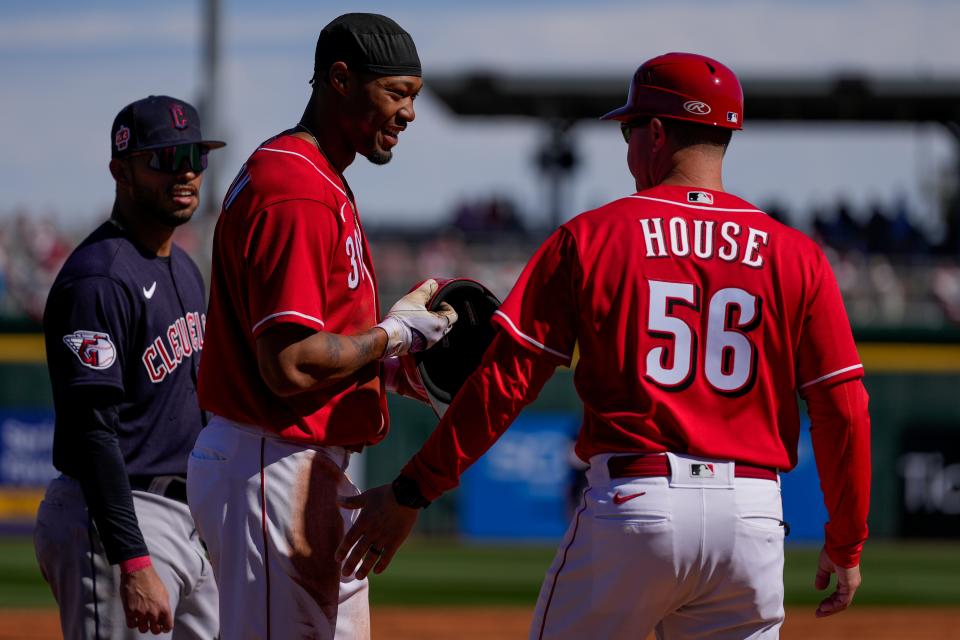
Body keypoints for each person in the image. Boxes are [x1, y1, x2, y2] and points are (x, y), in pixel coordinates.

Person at [337, 52, 872, 639]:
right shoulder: (797, 255)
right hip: (753, 517)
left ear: (658, 132)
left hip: (637, 505)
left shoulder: (592, 237)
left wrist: (415, 488)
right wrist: (846, 540)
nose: (626, 148)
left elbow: (504, 385)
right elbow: (843, 409)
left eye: (629, 130)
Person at [187, 13, 456, 639]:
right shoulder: (298, 190)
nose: (409, 113)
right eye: (397, 92)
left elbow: (316, 347)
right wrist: (395, 335)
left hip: (290, 460)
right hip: (271, 460)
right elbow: (289, 365)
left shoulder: (314, 177)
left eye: (413, 95)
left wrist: (390, 368)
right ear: (340, 79)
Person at [35, 95, 224, 638]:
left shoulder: (185, 267)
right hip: (118, 517)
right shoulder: (98, 279)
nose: (186, 170)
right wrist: (132, 560)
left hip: (185, 521)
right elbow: (94, 434)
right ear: (121, 170)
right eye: (165, 158)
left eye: (195, 155)